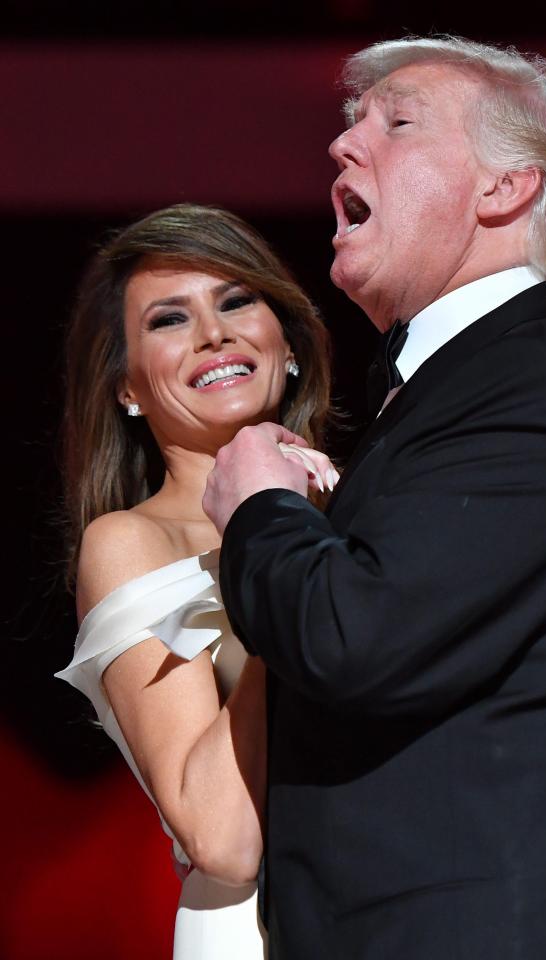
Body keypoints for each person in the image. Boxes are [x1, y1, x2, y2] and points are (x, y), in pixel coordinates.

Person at [201, 36, 546, 959]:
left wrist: (258, 508)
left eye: (395, 122)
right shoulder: (479, 382)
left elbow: (353, 635)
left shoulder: (533, 382)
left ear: (504, 189)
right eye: (349, 122)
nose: (342, 146)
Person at [54, 203, 334, 959]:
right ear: (127, 389)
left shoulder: (368, 510)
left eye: (238, 300)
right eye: (169, 320)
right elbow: (220, 839)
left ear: (289, 342)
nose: (215, 332)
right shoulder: (133, 544)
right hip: (253, 929)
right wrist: (290, 570)